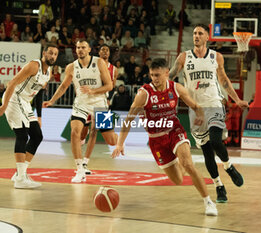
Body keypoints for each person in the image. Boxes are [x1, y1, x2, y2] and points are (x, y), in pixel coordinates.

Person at [112, 58, 218, 216]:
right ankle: (182, 162)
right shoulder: (144, 94)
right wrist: (120, 144)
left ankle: (208, 202)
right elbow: (128, 120)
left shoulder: (177, 88)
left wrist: (200, 117)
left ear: (167, 73)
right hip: (156, 140)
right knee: (178, 180)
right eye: (152, 75)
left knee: (188, 165)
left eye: (158, 75)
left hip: (175, 130)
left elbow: (196, 106)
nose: (154, 79)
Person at [169, 24, 249, 203]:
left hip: (214, 104)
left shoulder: (216, 57)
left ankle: (229, 167)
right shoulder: (184, 57)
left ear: (207, 37)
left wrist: (236, 100)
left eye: (200, 33)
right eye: (195, 33)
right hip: (195, 108)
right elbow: (171, 75)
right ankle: (219, 186)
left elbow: (224, 80)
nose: (196, 36)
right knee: (207, 152)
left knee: (215, 140)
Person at [43, 40, 118, 183]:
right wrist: (52, 100)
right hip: (81, 104)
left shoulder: (99, 63)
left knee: (111, 140)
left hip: (99, 103)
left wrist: (93, 91)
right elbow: (64, 86)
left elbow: (109, 86)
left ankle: (120, 141)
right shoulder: (71, 67)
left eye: (83, 47)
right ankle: (80, 169)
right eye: (78, 48)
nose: (80, 50)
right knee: (74, 133)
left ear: (89, 49)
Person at [0, 44, 59, 189]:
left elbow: (40, 93)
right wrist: (4, 106)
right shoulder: (34, 66)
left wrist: (39, 116)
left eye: (55, 54)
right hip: (13, 98)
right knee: (22, 136)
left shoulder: (48, 73)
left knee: (37, 136)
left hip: (25, 103)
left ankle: (19, 173)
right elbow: (12, 83)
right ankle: (21, 179)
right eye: (50, 53)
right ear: (44, 53)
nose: (53, 56)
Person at [79, 44, 118, 174]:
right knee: (84, 133)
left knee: (110, 140)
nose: (105, 52)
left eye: (107, 50)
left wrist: (108, 98)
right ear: (99, 52)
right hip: (88, 101)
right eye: (102, 49)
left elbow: (112, 86)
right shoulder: (92, 64)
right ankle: (84, 162)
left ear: (109, 53)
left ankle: (119, 138)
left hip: (102, 102)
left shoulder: (114, 69)